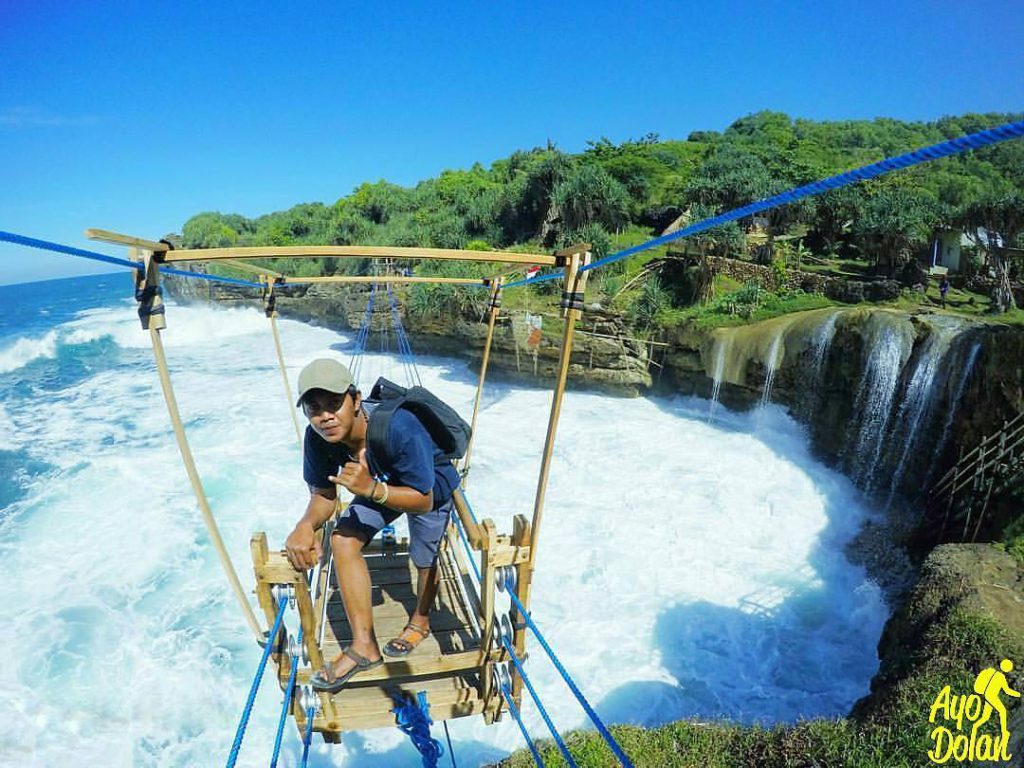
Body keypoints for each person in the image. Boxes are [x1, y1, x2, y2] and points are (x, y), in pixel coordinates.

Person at [284, 358, 460, 693]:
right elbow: (324, 493)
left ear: (356, 399)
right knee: (342, 540)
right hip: (374, 482)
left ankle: (420, 620)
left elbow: (422, 499)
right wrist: (306, 525)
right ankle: (364, 646)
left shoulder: (400, 427)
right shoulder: (317, 438)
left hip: (425, 485)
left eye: (334, 403)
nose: (325, 416)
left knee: (425, 558)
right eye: (314, 408)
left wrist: (371, 489)